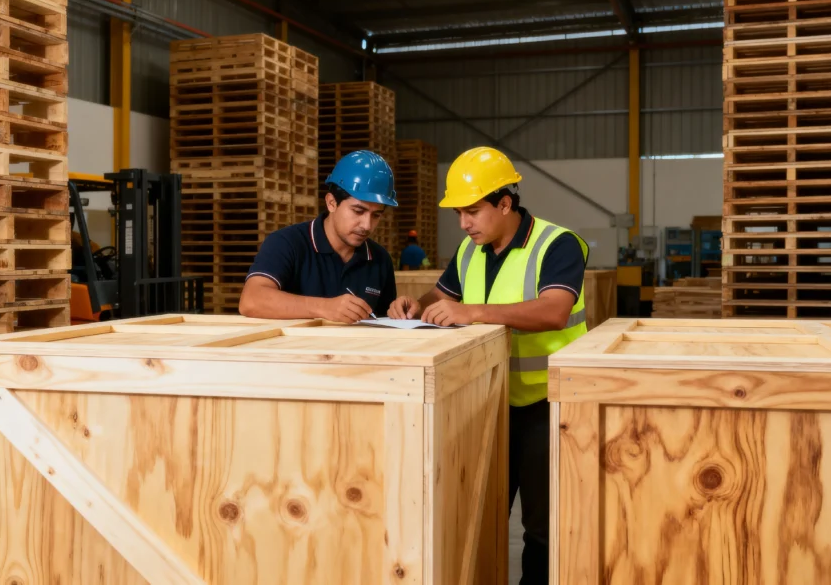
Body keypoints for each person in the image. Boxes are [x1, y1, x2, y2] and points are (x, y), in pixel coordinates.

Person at [387, 146, 588, 585]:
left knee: (543, 527)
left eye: (472, 211)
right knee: (481, 515)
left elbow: (554, 310)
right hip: (488, 405)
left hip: (548, 408)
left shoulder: (558, 244)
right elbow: (444, 298)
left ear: (504, 203)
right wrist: (413, 305)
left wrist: (473, 312)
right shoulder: (469, 250)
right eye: (459, 213)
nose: (464, 223)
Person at [239, 150, 400, 322]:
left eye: (376, 215)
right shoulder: (287, 243)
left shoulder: (380, 259)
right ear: (331, 203)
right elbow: (251, 301)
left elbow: (384, 320)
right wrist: (324, 307)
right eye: (358, 211)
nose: (367, 225)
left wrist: (398, 311)